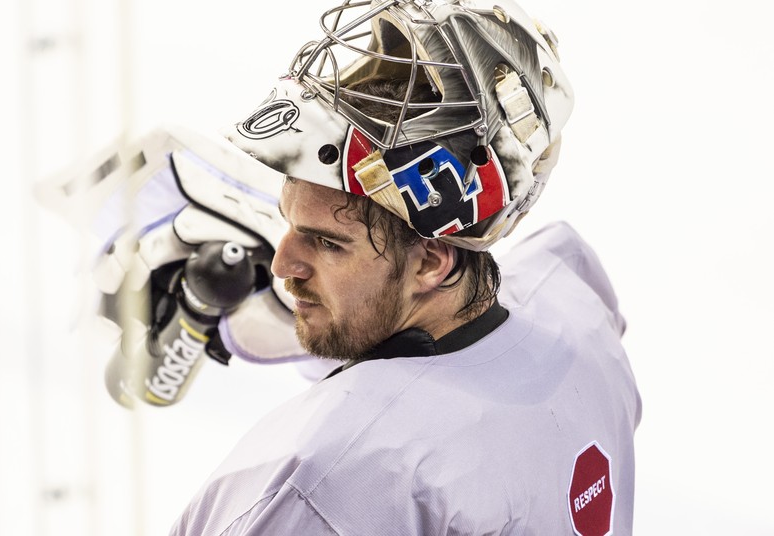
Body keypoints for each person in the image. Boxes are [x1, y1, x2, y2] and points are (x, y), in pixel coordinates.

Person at [169, 0, 641, 534]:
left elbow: (395, 426)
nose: (282, 263)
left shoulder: (324, 485)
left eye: (326, 243)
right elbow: (448, 380)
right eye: (288, 223)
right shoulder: (571, 294)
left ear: (431, 263)